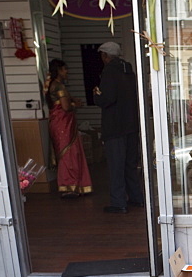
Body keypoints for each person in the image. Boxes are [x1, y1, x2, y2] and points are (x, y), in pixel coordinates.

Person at [95, 42, 144, 213]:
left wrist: (96, 95)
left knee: (116, 165)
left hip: (114, 126)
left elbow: (107, 99)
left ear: (105, 56)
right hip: (132, 125)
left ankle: (118, 202)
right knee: (130, 164)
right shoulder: (129, 71)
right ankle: (136, 197)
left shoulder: (109, 72)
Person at [43, 59, 92, 197]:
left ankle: (68, 185)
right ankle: (71, 186)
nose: (67, 72)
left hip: (56, 123)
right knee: (70, 153)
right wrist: (76, 105)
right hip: (64, 124)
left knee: (64, 153)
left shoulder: (51, 85)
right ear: (58, 70)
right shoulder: (59, 87)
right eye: (65, 69)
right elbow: (65, 107)